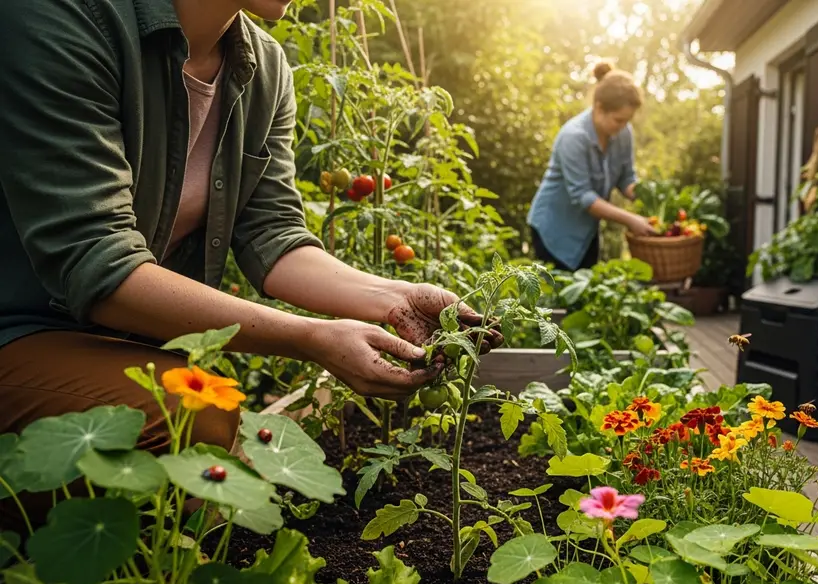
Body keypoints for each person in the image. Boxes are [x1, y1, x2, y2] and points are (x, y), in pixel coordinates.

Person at [0, 0, 500, 526]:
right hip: (22, 331)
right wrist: (310, 338)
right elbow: (96, 261)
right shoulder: (62, 17)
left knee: (199, 428)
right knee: (196, 421)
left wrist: (394, 297)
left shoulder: (262, 65)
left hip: (120, 347)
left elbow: (274, 234)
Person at [526, 62, 657, 272]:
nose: (624, 126)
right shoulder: (574, 137)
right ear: (599, 108)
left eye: (628, 120)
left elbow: (626, 179)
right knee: (558, 297)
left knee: (585, 291)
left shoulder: (623, 133)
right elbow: (583, 196)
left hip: (585, 231)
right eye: (619, 120)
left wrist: (651, 197)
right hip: (554, 229)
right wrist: (632, 219)